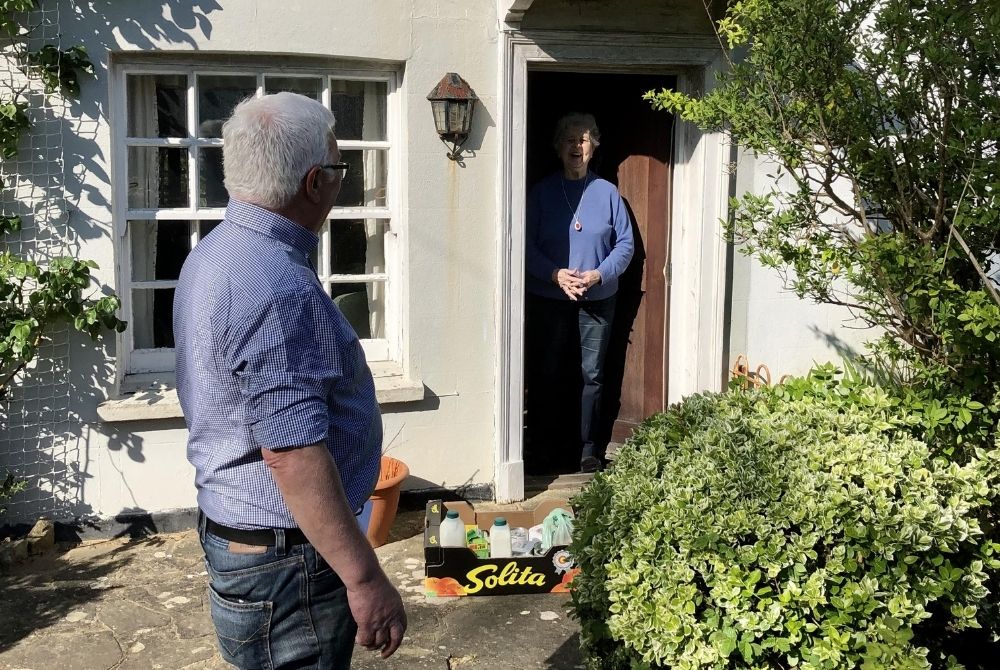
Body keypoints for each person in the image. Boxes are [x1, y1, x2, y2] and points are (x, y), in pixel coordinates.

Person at [173, 92, 406, 670]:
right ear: (314, 183)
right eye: (339, 170)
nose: (341, 183)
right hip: (289, 567)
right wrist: (365, 577)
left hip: (256, 551)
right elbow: (292, 454)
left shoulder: (215, 254)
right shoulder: (275, 286)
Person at [524, 112, 635, 474]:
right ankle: (546, 449)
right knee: (548, 372)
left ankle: (590, 449)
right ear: (558, 147)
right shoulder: (541, 193)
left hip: (598, 299)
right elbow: (523, 247)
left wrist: (598, 275)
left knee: (593, 375)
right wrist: (556, 274)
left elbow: (626, 245)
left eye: (584, 139)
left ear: (594, 147)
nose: (577, 146)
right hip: (549, 298)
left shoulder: (607, 193)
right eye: (570, 139)